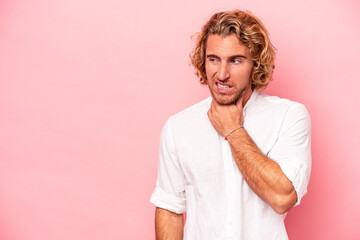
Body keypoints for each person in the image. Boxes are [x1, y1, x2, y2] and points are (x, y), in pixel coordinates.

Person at [150, 9, 311, 240]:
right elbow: (169, 208)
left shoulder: (288, 116)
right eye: (213, 59)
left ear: (255, 64)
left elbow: (282, 197)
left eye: (235, 60)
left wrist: (233, 130)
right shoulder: (178, 127)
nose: (222, 74)